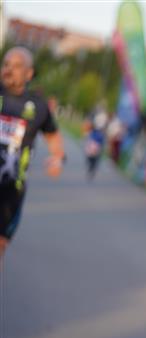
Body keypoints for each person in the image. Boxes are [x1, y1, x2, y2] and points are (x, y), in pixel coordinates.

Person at [0, 46, 64, 262]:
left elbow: (52, 135)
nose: (9, 69)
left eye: (17, 66)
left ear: (29, 73)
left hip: (11, 190)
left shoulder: (38, 106)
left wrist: (57, 158)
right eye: (6, 64)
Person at [83, 106, 108, 181]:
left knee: (96, 155)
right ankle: (91, 166)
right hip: (93, 138)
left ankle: (93, 167)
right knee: (90, 154)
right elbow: (89, 125)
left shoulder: (104, 117)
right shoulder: (94, 116)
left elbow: (105, 127)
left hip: (99, 138)